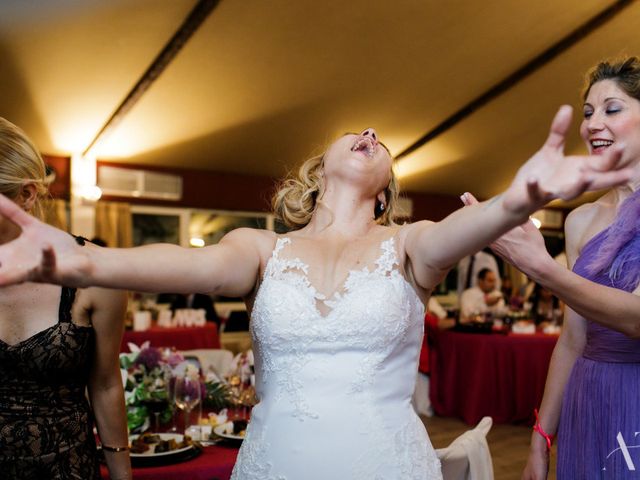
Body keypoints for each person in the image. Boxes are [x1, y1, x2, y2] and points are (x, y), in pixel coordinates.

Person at [0, 110, 629, 480]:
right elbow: (177, 266)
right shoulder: (259, 249)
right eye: (357, 131)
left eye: (382, 143)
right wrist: (78, 257)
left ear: (386, 190)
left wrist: (523, 196)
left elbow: (474, 226)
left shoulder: (412, 244)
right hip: (277, 461)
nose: (372, 132)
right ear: (318, 170)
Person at [463, 57, 640, 478]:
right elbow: (572, 340)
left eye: (612, 109)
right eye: (588, 113)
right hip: (587, 397)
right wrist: (541, 440)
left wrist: (541, 267)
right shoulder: (581, 221)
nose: (594, 123)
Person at [0, 118, 131, 479]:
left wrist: (121, 475)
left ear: (26, 195)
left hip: (66, 467)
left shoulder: (95, 275)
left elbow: (104, 384)